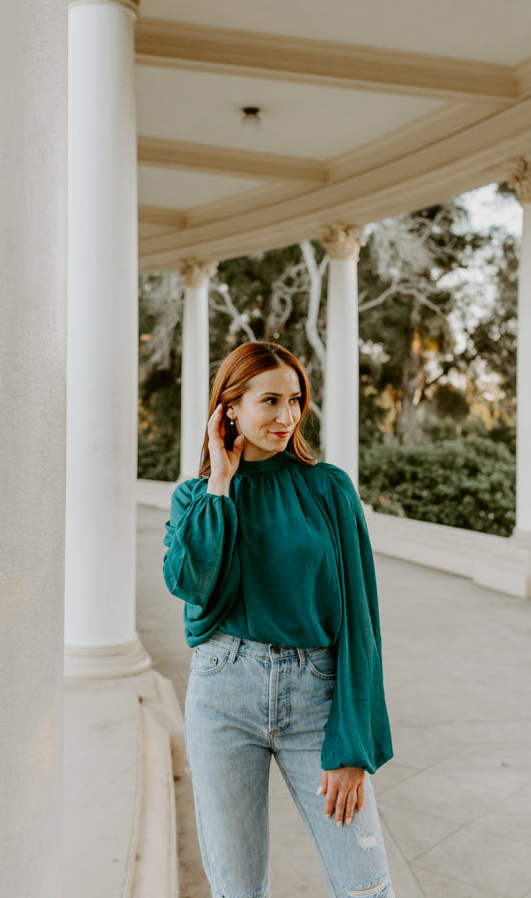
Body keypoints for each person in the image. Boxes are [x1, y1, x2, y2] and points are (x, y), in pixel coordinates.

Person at [163, 341, 394, 898]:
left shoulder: (328, 489)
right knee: (238, 891)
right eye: (270, 400)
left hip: (316, 695)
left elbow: (361, 620)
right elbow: (189, 582)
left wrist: (352, 744)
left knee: (366, 887)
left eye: (295, 400)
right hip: (223, 693)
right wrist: (220, 481)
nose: (288, 417)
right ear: (230, 408)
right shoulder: (195, 498)